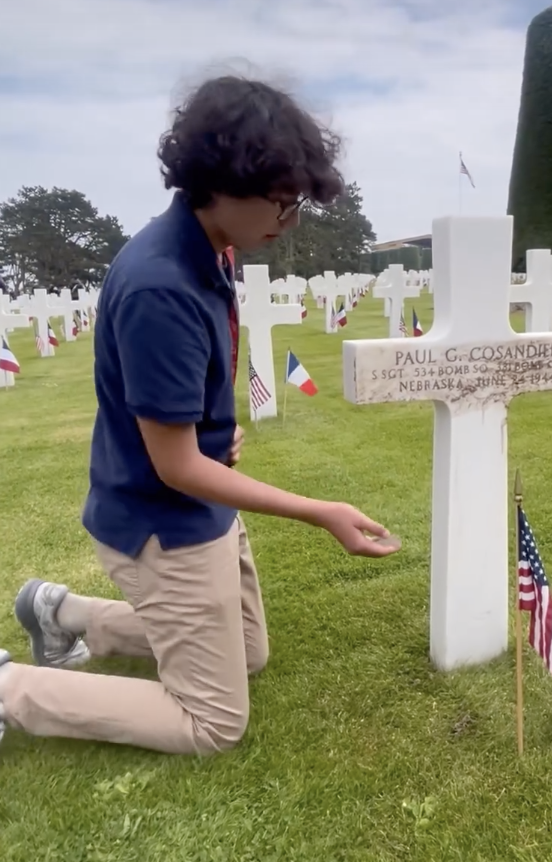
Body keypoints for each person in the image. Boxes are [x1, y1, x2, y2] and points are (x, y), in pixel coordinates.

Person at [0, 74, 398, 755]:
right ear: (221, 183)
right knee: (212, 720)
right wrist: (318, 511)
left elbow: (174, 424)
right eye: (282, 201)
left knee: (246, 653)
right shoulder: (163, 286)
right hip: (162, 519)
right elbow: (176, 466)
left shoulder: (209, 249)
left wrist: (215, 428)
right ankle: (14, 692)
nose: (289, 220)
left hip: (189, 498)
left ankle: (61, 612)